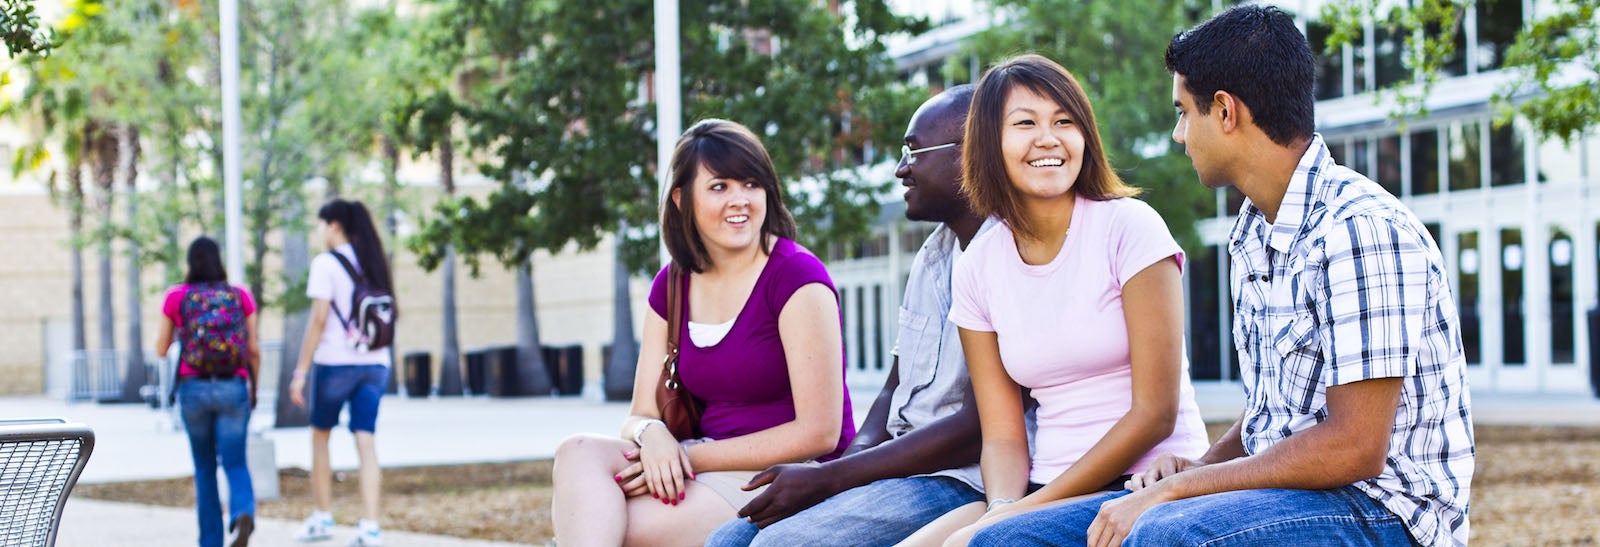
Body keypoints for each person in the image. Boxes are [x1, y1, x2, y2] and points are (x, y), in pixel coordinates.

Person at [968, 6, 1476, 547]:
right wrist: (1199, 466)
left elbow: (1353, 446)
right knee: (1008, 540)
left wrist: (1182, 490)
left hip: (1383, 510)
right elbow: (1275, 415)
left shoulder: (1359, 230)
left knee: (1167, 534)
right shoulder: (1256, 230)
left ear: (1225, 112)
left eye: (1185, 113)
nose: (1178, 134)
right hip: (1289, 495)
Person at [921, 54, 1209, 547]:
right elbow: (1004, 435)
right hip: (1045, 492)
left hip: (1145, 483)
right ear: (991, 143)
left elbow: (1156, 412)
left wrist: (1023, 513)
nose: (1048, 138)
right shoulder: (977, 263)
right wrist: (1005, 507)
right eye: (1025, 124)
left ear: (1085, 138)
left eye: (1064, 122)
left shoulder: (1130, 227)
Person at [704, 85, 1000, 547]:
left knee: (776, 546)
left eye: (913, 152)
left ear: (968, 155)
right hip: (895, 468)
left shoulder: (1007, 255)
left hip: (959, 478)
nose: (902, 168)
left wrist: (835, 478)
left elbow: (976, 429)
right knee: (726, 541)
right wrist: (846, 471)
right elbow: (892, 389)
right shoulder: (933, 254)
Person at [550, 119, 856, 547]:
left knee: (615, 525)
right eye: (720, 187)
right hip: (701, 462)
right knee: (577, 453)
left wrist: (687, 454)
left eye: (752, 184)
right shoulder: (673, 284)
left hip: (785, 476)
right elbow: (640, 412)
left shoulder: (796, 277)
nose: (740, 200)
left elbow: (819, 432)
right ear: (681, 199)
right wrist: (652, 436)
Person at [288, 199, 397, 547]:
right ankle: (370, 525)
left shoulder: (325, 264)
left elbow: (319, 320)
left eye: (320, 225)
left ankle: (323, 516)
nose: (319, 232)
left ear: (334, 225)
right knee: (366, 439)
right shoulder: (375, 260)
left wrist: (301, 371)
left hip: (335, 362)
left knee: (321, 436)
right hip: (376, 363)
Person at [156, 236, 260, 547]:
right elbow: (253, 349)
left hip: (194, 390)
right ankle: (242, 511)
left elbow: (161, 349)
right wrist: (252, 387)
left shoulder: (176, 296)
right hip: (233, 386)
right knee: (236, 461)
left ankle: (211, 542)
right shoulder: (240, 295)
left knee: (204, 467)